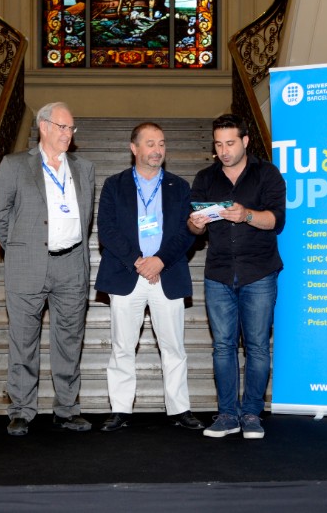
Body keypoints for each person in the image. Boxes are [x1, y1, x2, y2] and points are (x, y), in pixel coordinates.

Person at [0, 101, 95, 435]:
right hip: (28, 264)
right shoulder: (15, 165)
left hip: (72, 264)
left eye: (71, 128)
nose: (68, 133)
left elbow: (86, 216)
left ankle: (67, 409)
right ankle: (21, 410)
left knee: (69, 339)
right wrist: (18, 248)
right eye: (63, 127)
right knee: (23, 339)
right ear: (43, 127)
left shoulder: (84, 168)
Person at [95, 122, 204, 432]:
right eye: (151, 143)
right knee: (122, 347)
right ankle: (120, 410)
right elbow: (107, 230)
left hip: (166, 274)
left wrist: (159, 261)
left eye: (162, 144)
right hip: (126, 274)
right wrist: (138, 261)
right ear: (134, 148)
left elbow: (187, 231)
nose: (158, 150)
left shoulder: (179, 186)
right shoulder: (114, 185)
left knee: (174, 348)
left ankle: (179, 409)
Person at [188, 114, 285, 439]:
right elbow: (193, 226)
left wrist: (247, 215)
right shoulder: (205, 177)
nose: (224, 151)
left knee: (257, 346)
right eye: (218, 144)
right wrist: (194, 224)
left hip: (259, 272)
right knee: (222, 347)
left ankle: (252, 414)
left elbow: (276, 220)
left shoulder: (267, 174)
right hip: (218, 273)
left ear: (245, 141)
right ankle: (227, 414)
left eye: (230, 143)